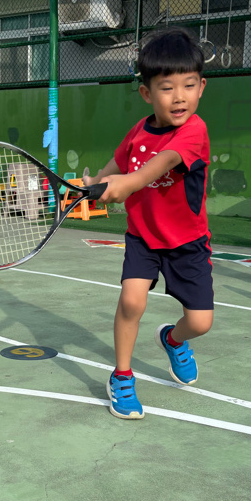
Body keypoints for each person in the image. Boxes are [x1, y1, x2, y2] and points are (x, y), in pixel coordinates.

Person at [82, 27, 213, 419]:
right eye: (167, 88)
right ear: (146, 92)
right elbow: (118, 163)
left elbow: (160, 164)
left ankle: (173, 340)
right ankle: (122, 376)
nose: (179, 97)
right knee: (131, 301)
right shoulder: (138, 132)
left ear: (201, 87)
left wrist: (129, 183)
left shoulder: (194, 130)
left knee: (200, 323)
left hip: (188, 242)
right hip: (142, 238)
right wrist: (94, 183)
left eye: (189, 85)